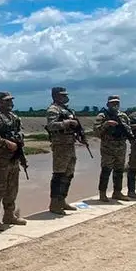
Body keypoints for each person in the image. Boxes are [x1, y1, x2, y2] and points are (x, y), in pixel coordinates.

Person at [0, 91, 27, 231]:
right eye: (7, 101)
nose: (10, 103)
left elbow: (20, 135)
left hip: (14, 158)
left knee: (12, 188)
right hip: (1, 159)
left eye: (10, 100)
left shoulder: (15, 118)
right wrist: (6, 143)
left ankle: (9, 215)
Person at [45, 86, 80, 215]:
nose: (66, 97)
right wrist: (67, 123)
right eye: (62, 95)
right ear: (55, 96)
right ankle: (54, 203)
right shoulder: (53, 110)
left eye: (66, 95)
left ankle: (62, 200)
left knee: (69, 174)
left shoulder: (67, 109)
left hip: (70, 144)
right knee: (59, 174)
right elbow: (51, 125)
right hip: (60, 145)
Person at [92, 95, 135, 203]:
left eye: (117, 103)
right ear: (108, 104)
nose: (115, 105)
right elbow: (96, 132)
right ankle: (102, 194)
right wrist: (106, 124)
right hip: (108, 147)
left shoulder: (123, 116)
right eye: (112, 103)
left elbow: (129, 130)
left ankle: (117, 192)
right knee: (106, 170)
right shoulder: (102, 116)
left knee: (119, 171)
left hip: (121, 146)